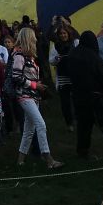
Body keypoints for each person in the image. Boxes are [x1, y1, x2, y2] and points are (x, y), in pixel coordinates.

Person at [10, 27, 62, 169]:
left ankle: (20, 160)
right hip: (25, 95)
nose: (35, 39)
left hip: (32, 96)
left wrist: (36, 86)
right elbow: (16, 77)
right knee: (41, 124)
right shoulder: (19, 55)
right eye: (33, 37)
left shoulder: (29, 56)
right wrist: (34, 85)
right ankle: (48, 158)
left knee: (29, 129)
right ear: (28, 38)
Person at [63, 30, 103, 158]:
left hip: (78, 95)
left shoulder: (72, 54)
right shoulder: (93, 57)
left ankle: (82, 151)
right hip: (94, 96)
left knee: (83, 125)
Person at [49, 23, 78, 130]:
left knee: (76, 99)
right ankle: (69, 123)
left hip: (74, 75)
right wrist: (57, 58)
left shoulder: (75, 43)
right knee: (65, 101)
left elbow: (80, 55)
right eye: (61, 34)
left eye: (64, 33)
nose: (63, 35)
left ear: (68, 33)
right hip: (62, 76)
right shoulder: (55, 45)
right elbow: (51, 61)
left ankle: (78, 119)